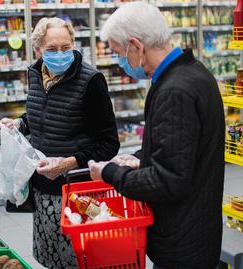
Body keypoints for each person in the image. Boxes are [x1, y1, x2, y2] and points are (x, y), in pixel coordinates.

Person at [88, 2, 225, 268]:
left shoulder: (174, 91)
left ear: (136, 46)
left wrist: (109, 173)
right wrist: (142, 158)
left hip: (181, 244)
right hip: (197, 229)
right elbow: (184, 152)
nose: (121, 62)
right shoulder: (194, 72)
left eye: (119, 53)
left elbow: (169, 181)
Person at [0, 17, 119, 268]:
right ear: (38, 50)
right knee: (50, 258)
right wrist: (20, 124)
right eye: (52, 49)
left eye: (66, 47)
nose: (60, 54)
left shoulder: (91, 81)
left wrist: (68, 163)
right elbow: (42, 115)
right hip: (43, 188)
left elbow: (109, 143)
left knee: (79, 259)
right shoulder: (35, 74)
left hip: (77, 193)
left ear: (74, 44)